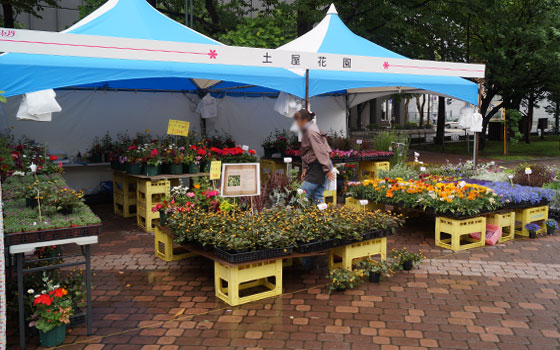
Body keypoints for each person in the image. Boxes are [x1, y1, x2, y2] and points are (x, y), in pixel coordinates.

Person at [294, 109, 334, 204]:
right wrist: (304, 168)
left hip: (319, 166)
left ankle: (302, 217)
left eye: (297, 120)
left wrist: (327, 169)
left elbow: (320, 151)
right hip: (321, 164)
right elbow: (307, 151)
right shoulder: (311, 128)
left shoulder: (311, 131)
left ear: (303, 120)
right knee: (317, 194)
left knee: (302, 193)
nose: (296, 123)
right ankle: (319, 218)